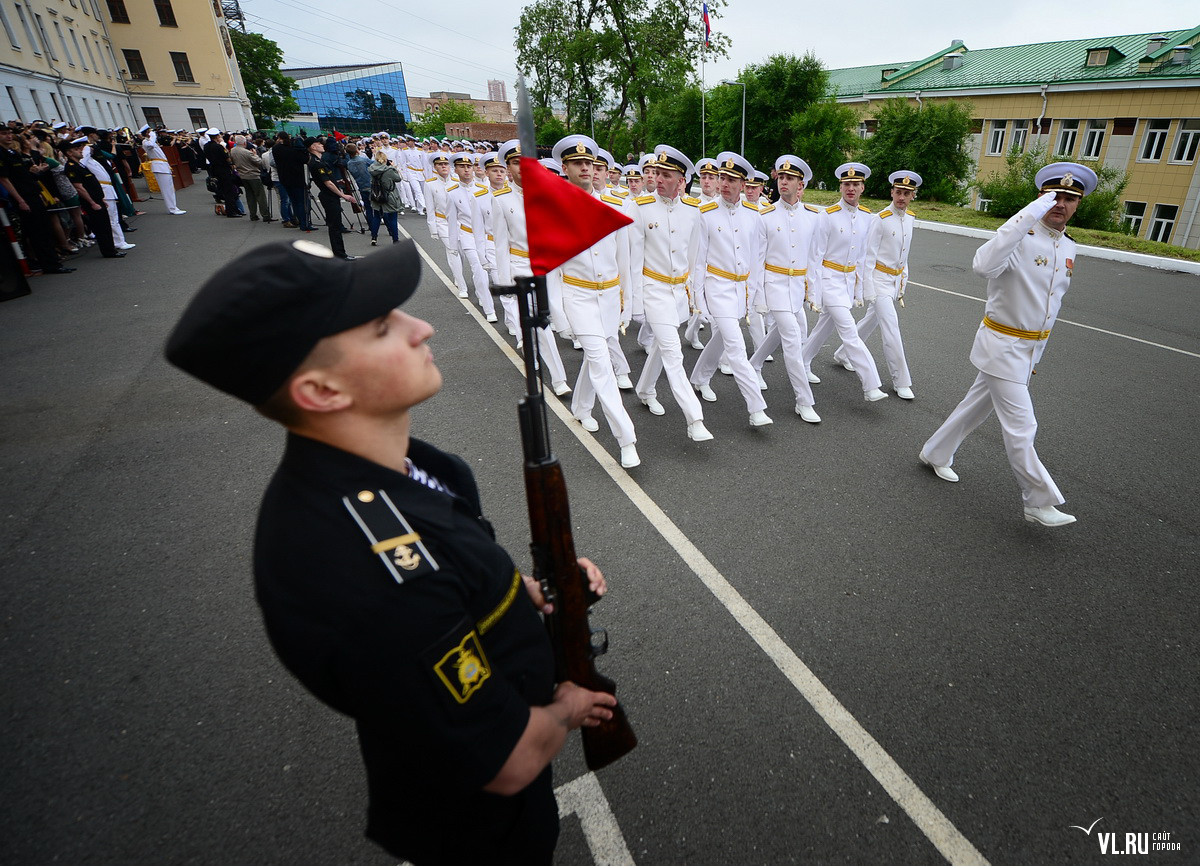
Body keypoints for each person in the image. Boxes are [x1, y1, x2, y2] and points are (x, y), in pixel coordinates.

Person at [164, 239, 617, 864]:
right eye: (382, 326)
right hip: (480, 827)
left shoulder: (416, 468)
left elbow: (456, 593)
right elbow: (509, 760)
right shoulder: (370, 567)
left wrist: (532, 595)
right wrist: (566, 707)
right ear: (321, 391)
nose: (421, 324)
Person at [919, 162, 1096, 527]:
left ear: (1078, 204)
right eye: (1054, 197)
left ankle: (935, 453)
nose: (1061, 204)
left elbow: (1049, 306)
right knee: (1022, 426)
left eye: (1069, 198)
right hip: (1001, 345)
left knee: (975, 407)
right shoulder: (1019, 238)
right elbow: (983, 265)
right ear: (1040, 199)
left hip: (1028, 350)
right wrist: (1027, 215)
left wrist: (1036, 354)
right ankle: (1037, 499)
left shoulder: (1068, 248)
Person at [549, 134, 640, 468]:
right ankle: (626, 438)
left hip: (609, 297)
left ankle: (581, 408)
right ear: (566, 167)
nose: (585, 168)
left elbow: (626, 260)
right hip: (578, 295)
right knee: (602, 363)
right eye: (577, 163)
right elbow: (551, 269)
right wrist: (559, 317)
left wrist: (626, 304)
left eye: (590, 163)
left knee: (596, 355)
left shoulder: (617, 205)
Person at [627, 145, 713, 442]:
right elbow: (633, 260)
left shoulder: (693, 211)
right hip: (653, 289)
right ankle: (694, 418)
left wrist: (694, 296)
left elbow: (695, 259)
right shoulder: (640, 207)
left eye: (666, 175)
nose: (657, 179)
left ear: (682, 180)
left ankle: (645, 389)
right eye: (656, 173)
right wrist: (636, 303)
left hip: (679, 292)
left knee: (664, 348)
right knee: (674, 353)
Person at [689, 151, 773, 427]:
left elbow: (757, 260)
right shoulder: (706, 213)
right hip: (717, 286)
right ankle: (756, 407)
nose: (724, 184)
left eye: (731, 180)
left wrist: (756, 295)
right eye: (722, 178)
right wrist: (698, 302)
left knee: (723, 339)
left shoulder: (754, 215)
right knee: (736, 345)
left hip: (742, 290)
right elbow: (698, 262)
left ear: (742, 184)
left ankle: (699, 377)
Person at [489, 139, 571, 395]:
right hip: (521, 265)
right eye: (516, 163)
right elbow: (501, 244)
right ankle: (559, 379)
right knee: (541, 321)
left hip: (550, 266)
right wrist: (505, 281)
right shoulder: (501, 200)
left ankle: (532, 349)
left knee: (559, 319)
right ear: (508, 167)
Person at [801, 162, 888, 402]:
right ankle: (871, 384)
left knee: (824, 327)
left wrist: (859, 291)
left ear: (862, 188)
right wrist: (813, 292)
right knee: (849, 331)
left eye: (855, 184)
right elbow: (815, 256)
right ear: (840, 187)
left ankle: (801, 361)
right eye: (846, 184)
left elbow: (861, 257)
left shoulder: (867, 217)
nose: (850, 188)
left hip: (847, 282)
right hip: (829, 280)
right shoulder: (827, 216)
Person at [746, 155, 822, 424]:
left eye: (790, 179)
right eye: (781, 177)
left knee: (780, 331)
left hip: (796, 287)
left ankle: (753, 364)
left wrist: (813, 292)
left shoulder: (813, 217)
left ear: (801, 186)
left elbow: (814, 259)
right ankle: (804, 400)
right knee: (792, 336)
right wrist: (757, 297)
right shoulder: (764, 216)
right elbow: (756, 261)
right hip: (774, 285)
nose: (783, 182)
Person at [834, 170, 921, 399]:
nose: (901, 197)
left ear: (913, 195)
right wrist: (867, 289)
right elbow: (867, 257)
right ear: (891, 192)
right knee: (891, 328)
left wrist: (902, 283)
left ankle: (843, 354)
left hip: (894, 281)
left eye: (906, 193)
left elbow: (904, 256)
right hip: (879, 281)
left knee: (871, 321)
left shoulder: (910, 218)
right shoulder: (880, 219)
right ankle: (901, 380)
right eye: (898, 192)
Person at [58, 137, 119, 258]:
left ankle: (111, 249)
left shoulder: (79, 165)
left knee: (106, 225)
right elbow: (79, 187)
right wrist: (92, 202)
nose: (80, 151)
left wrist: (100, 199)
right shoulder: (71, 167)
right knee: (101, 227)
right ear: (69, 153)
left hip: (97, 199)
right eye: (76, 149)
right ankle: (108, 251)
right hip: (91, 202)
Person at [307, 136, 358, 260]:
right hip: (329, 196)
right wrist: (343, 195)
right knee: (335, 227)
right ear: (313, 147)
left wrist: (338, 181)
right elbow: (327, 183)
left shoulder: (320, 160)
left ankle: (340, 253)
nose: (322, 145)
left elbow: (331, 180)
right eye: (319, 144)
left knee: (336, 226)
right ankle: (340, 254)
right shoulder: (316, 163)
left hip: (331, 195)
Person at [140, 125, 186, 215]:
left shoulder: (151, 141)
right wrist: (152, 136)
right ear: (147, 133)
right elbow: (150, 145)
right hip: (159, 167)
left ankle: (173, 207)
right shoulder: (145, 142)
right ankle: (172, 208)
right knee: (167, 189)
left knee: (169, 188)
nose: (153, 133)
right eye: (150, 131)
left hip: (163, 166)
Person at [365, 148, 402, 245]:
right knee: (393, 218)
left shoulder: (372, 169)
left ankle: (374, 237)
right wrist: (394, 168)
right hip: (389, 195)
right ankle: (395, 239)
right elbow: (398, 179)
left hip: (376, 194)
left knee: (376, 217)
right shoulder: (389, 170)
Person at [231, 134, 271, 222]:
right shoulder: (247, 152)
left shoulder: (233, 151)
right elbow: (259, 162)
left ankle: (253, 215)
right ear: (244, 143)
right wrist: (255, 154)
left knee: (250, 196)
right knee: (260, 196)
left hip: (242, 175)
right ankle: (265, 214)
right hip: (253, 175)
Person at [203, 130, 242, 218]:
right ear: (217, 136)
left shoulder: (206, 146)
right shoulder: (218, 147)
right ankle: (231, 211)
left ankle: (234, 210)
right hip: (224, 170)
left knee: (224, 189)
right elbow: (227, 158)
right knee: (229, 191)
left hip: (214, 170)